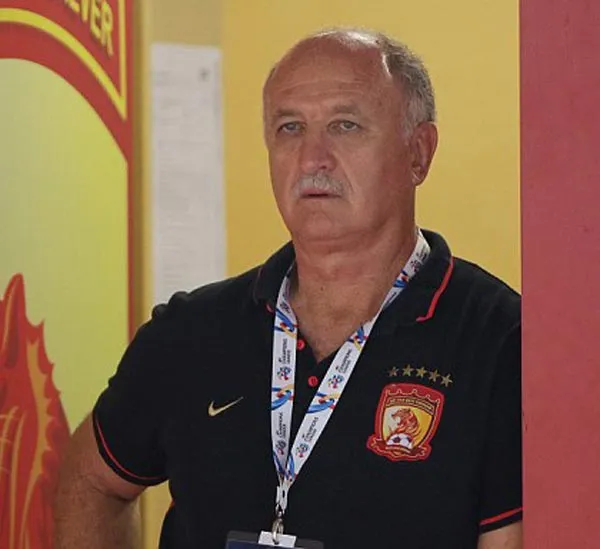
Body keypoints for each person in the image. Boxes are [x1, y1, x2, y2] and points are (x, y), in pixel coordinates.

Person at [55, 28, 522, 549]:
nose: (312, 157)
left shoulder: (503, 342)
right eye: (289, 127)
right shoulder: (192, 332)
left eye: (345, 125)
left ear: (419, 152)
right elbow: (92, 480)